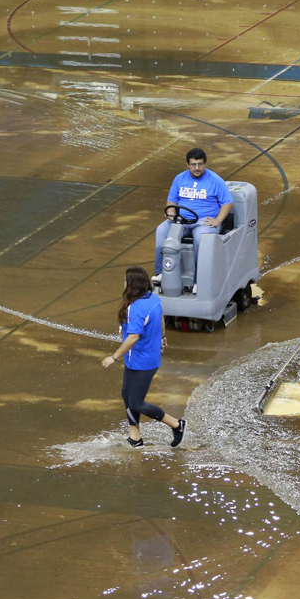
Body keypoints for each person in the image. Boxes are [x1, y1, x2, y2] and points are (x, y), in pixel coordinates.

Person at [102, 266, 186, 448]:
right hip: (139, 359)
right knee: (127, 394)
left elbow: (133, 337)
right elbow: (161, 318)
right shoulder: (153, 299)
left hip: (142, 362)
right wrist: (162, 337)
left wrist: (113, 357)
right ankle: (135, 437)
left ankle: (176, 424)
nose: (123, 284)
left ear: (132, 285)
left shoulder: (136, 308)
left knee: (137, 402)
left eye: (125, 281)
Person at [155, 147, 233, 281]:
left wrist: (218, 220)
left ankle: (199, 280)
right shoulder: (179, 179)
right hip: (182, 220)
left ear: (205, 164)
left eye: (200, 164)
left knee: (201, 240)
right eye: (193, 165)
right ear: (187, 165)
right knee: (161, 231)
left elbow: (227, 203)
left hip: (204, 221)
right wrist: (171, 211)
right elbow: (171, 201)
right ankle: (161, 273)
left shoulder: (215, 180)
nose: (197, 168)